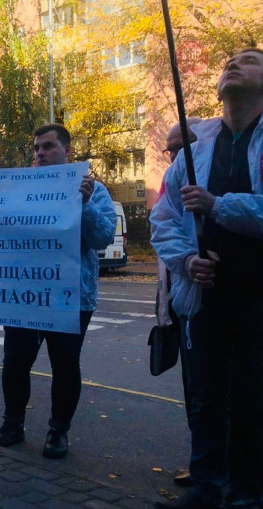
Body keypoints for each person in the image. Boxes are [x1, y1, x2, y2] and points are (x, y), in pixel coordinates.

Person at [150, 48, 263, 509]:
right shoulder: (196, 151)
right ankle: (205, 487)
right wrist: (187, 260)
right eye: (229, 62)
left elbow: (210, 205)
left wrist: (219, 204)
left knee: (254, 398)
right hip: (207, 295)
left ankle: (248, 492)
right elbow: (165, 217)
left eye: (251, 59)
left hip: (258, 296)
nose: (234, 65)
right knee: (206, 397)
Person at [0, 124, 117, 458]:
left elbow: (103, 237)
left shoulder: (94, 190)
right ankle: (12, 425)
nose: (39, 153)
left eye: (48, 147)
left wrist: (84, 204)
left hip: (71, 295)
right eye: (37, 147)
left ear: (67, 151)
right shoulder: (15, 189)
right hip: (24, 293)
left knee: (65, 364)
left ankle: (58, 432)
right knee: (15, 361)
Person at [156, 118, 201, 488]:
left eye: (180, 147)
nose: (173, 155)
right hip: (181, 307)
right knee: (196, 393)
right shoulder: (171, 187)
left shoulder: (205, 181)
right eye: (170, 149)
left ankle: (222, 470)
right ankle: (205, 463)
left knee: (218, 394)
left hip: (210, 307)